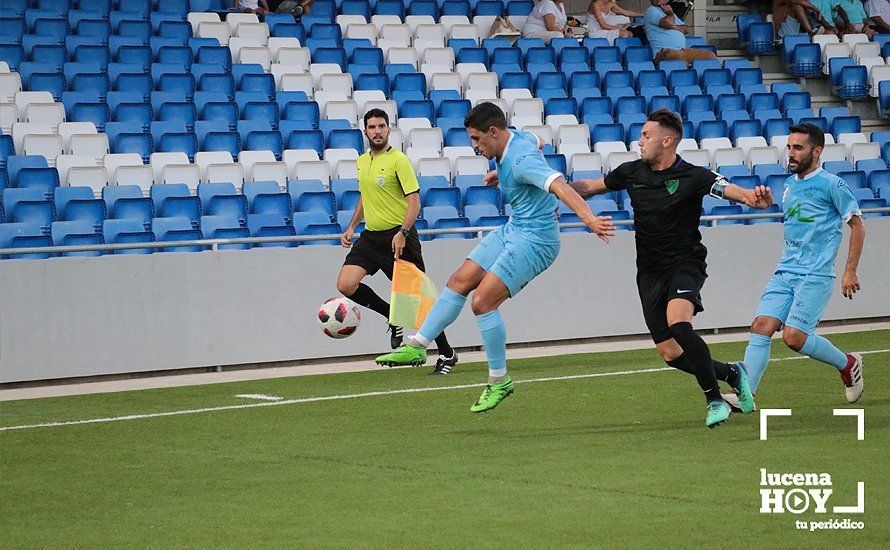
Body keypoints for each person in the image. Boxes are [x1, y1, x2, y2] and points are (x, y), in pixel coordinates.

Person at [375, 102, 616, 413]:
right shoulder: (519, 140)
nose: (474, 146)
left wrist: (589, 219)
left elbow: (559, 186)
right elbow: (536, 140)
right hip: (514, 228)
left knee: (482, 302)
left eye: (477, 139)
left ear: (493, 132)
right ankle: (417, 346)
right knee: (459, 280)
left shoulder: (522, 159)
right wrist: (497, 173)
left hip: (537, 240)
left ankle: (498, 380)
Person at [568, 110, 776, 428]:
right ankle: (732, 373)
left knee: (679, 325)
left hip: (685, 264)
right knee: (670, 353)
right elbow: (591, 187)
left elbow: (732, 191)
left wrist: (752, 198)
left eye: (646, 135)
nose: (639, 141)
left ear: (667, 140)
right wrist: (551, 185)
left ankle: (714, 400)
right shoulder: (630, 172)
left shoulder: (694, 176)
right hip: (649, 272)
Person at [723, 124, 865, 411]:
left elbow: (857, 227)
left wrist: (850, 270)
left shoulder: (832, 184)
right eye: (789, 147)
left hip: (815, 275)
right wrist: (767, 204)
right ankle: (746, 394)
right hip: (786, 271)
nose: (791, 153)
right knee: (761, 326)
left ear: (816, 150)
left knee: (794, 337)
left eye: (798, 147)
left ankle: (848, 363)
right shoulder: (788, 186)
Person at [337, 109, 459, 375]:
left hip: (399, 237)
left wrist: (402, 233)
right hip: (371, 237)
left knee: (421, 302)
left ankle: (447, 354)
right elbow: (365, 197)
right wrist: (351, 226)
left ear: (389, 130)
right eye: (372, 127)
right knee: (346, 284)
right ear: (365, 131)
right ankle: (393, 317)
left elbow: (414, 201)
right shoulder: (361, 162)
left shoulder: (399, 161)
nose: (377, 131)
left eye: (382, 126)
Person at [644, 0, 718, 65]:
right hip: (663, 52)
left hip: (682, 51)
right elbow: (668, 22)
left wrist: (672, 25)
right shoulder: (651, 10)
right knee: (678, 60)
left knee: (710, 56)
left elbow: (686, 29)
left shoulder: (670, 13)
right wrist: (670, 14)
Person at [774, 0, 839, 38]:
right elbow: (797, 0)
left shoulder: (805, 2)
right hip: (784, 32)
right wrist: (814, 8)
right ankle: (811, 32)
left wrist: (830, 27)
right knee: (797, 7)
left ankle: (812, 32)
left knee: (830, 34)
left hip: (800, 32)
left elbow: (811, 12)